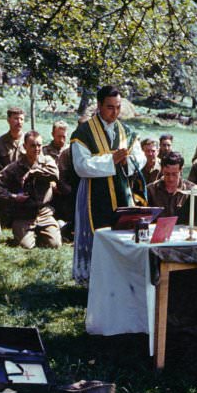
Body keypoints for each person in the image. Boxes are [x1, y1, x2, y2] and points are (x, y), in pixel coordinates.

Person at [71, 85, 145, 284]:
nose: (115, 112)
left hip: (122, 191)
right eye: (110, 107)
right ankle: (96, 281)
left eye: (118, 107)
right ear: (99, 106)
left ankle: (120, 278)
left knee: (123, 233)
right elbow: (81, 165)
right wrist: (110, 161)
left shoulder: (127, 132)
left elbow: (140, 158)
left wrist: (127, 161)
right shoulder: (83, 133)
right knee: (98, 235)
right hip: (94, 194)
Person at [0, 131, 61, 249]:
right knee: (26, 246)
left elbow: (54, 175)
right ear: (24, 146)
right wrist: (13, 196)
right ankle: (22, 235)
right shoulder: (15, 167)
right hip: (24, 214)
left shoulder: (47, 161)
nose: (37, 149)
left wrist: (34, 172)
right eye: (33, 145)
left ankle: (45, 232)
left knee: (54, 245)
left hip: (44, 212)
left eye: (39, 145)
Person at [147, 152, 197, 224]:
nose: (171, 179)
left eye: (174, 174)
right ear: (162, 170)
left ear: (181, 170)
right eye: (167, 174)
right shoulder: (151, 190)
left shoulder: (192, 190)